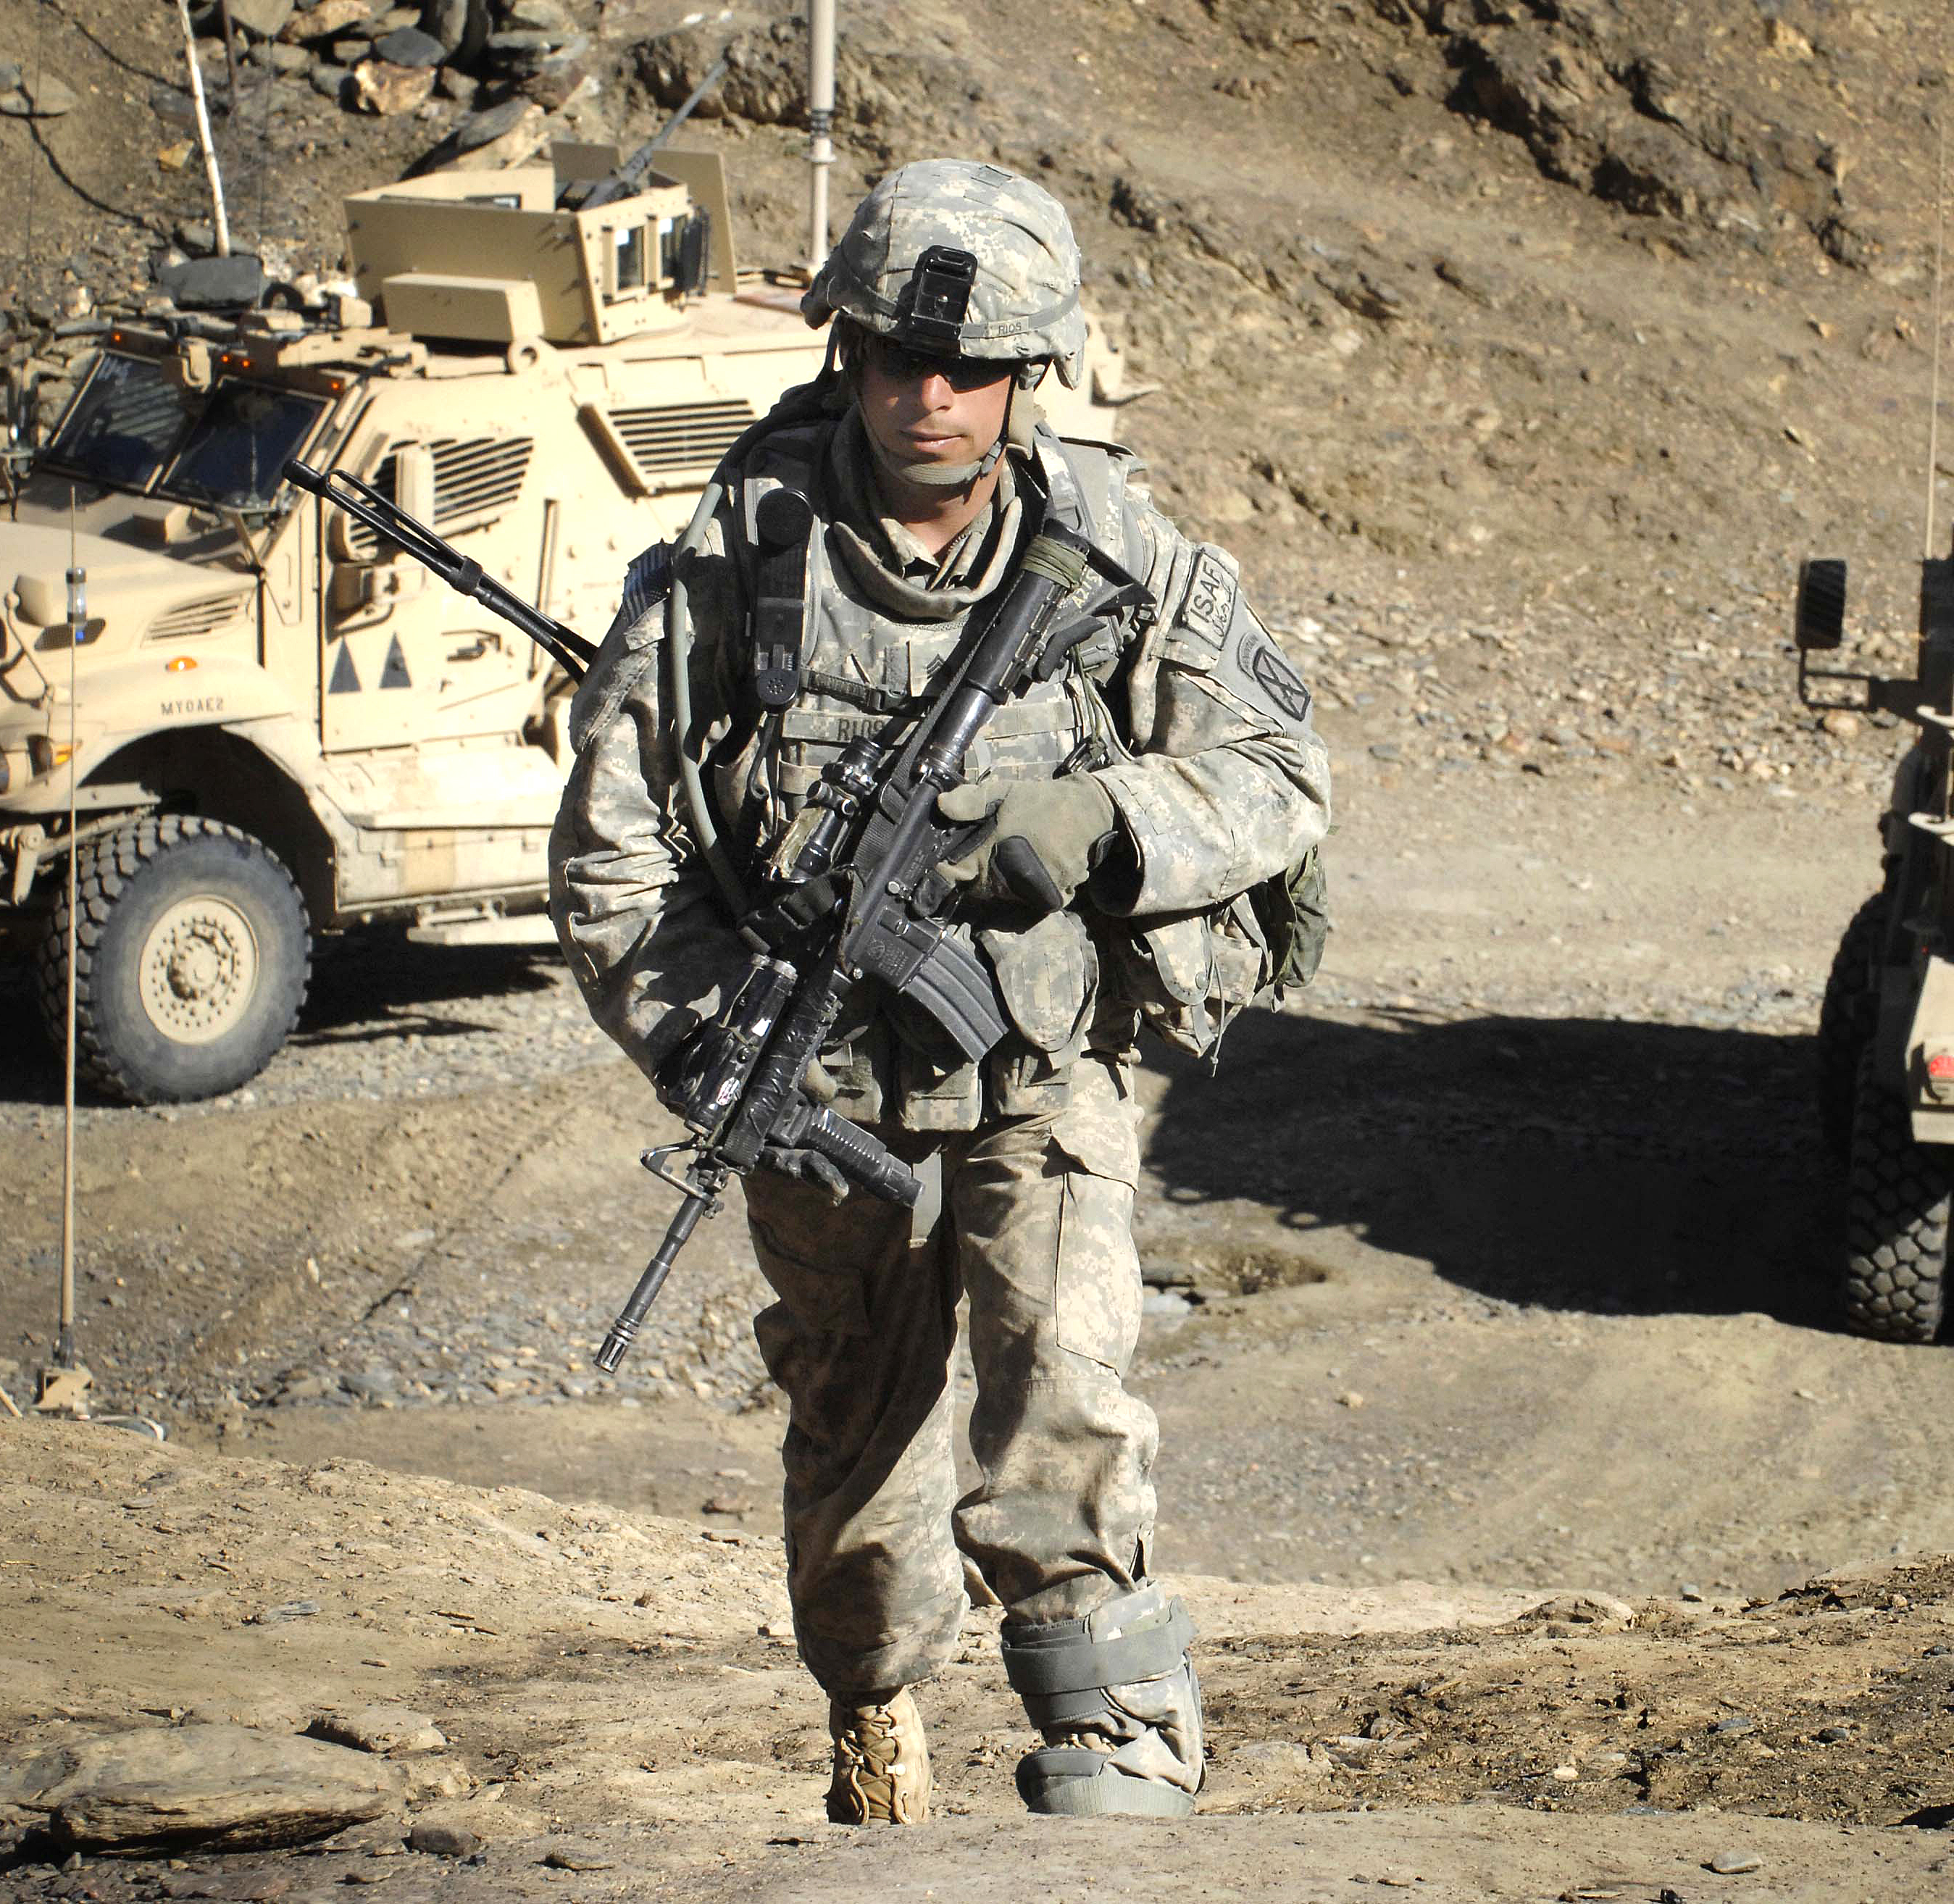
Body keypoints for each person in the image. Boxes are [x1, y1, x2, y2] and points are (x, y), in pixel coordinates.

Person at [548, 159, 1330, 1824]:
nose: (931, 396)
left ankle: (1111, 1756)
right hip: (816, 1086)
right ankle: (876, 1712)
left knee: (1062, 1393)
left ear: (1026, 373)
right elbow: (612, 857)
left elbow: (1277, 775)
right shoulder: (732, 560)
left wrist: (1099, 822)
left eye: (971, 368)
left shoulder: (1114, 544)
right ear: (845, 350)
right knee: (855, 1466)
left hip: (1043, 1064)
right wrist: (713, 1034)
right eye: (900, 355)